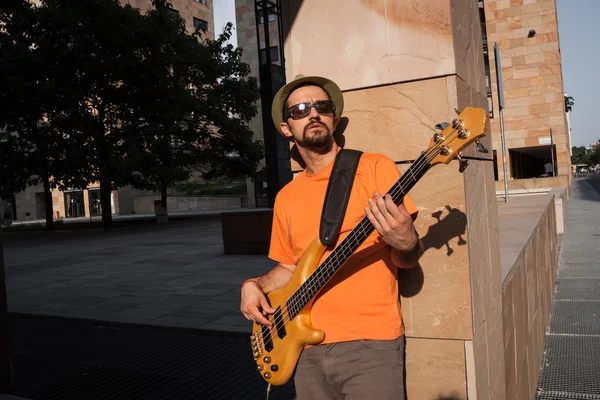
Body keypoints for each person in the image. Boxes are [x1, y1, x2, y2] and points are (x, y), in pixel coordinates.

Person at [240, 75, 423, 399]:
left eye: (321, 106)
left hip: (370, 344)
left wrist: (407, 240)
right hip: (305, 348)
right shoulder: (286, 197)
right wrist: (253, 286)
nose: (312, 113)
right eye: (299, 109)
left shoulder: (373, 167)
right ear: (287, 129)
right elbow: (288, 267)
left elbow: (405, 259)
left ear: (333, 118)